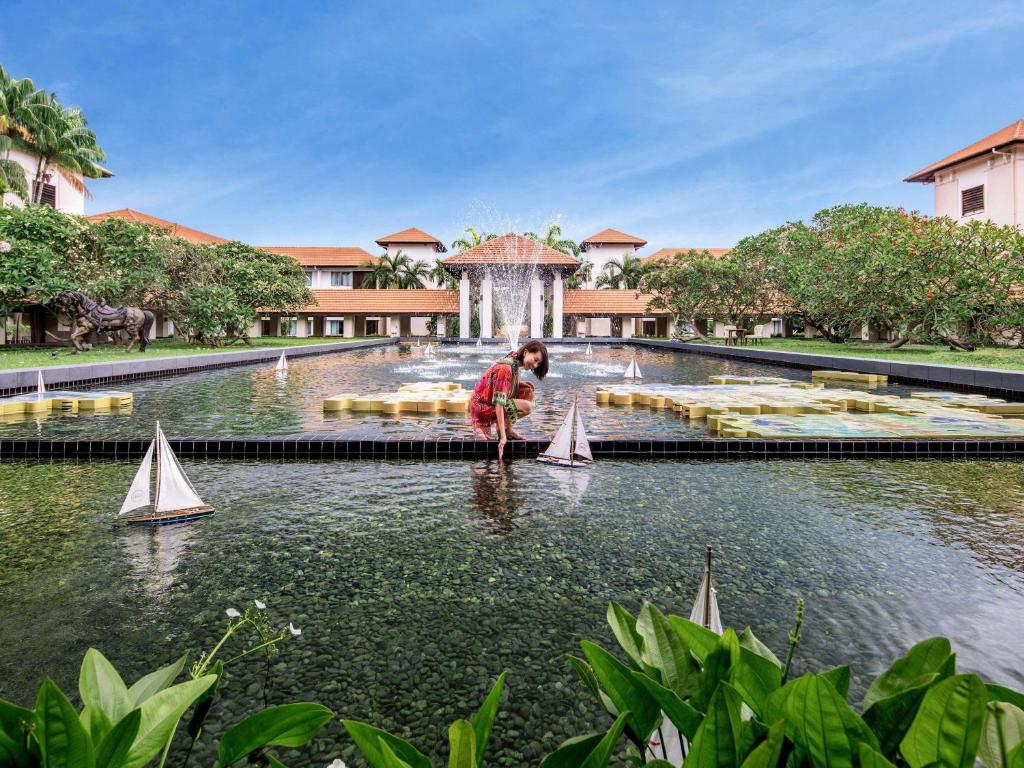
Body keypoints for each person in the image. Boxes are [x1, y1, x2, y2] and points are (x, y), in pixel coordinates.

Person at [470, 340, 549, 460]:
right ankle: (504, 431)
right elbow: (499, 403)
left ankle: (508, 429)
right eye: (535, 360)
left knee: (528, 392)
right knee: (529, 406)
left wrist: (519, 384)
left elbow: (501, 385)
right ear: (526, 352)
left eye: (538, 363)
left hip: (487, 405)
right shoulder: (506, 368)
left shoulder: (514, 362)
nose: (535, 365)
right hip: (482, 409)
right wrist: (502, 437)